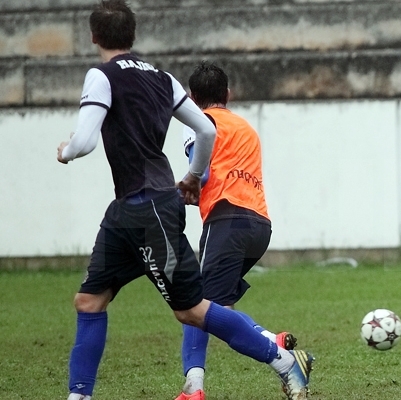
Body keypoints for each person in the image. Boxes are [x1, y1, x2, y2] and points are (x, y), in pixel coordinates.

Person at [56, 1, 312, 399]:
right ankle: (79, 395)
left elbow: (85, 141)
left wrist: (65, 150)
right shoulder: (163, 78)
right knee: (89, 300)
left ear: (93, 36)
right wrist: (194, 177)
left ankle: (280, 359)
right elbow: (204, 133)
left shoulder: (101, 75)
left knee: (192, 309)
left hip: (150, 207)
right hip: (127, 210)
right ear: (133, 35)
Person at [174, 62, 301, 400]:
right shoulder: (245, 128)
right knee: (219, 310)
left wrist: (173, 193)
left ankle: (194, 388)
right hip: (259, 225)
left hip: (226, 219)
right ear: (228, 95)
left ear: (192, 97)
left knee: (194, 305)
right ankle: (271, 339)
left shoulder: (199, 122)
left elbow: (199, 176)